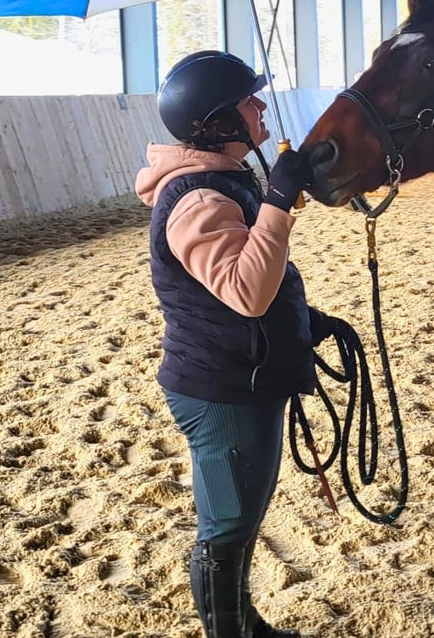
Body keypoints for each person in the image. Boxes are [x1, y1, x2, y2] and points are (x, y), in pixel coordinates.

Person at [135, 50, 348, 638]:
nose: (259, 106)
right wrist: (277, 203)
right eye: (247, 101)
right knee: (226, 528)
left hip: (241, 373)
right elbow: (246, 292)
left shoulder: (222, 181)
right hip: (223, 387)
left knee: (241, 518)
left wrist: (303, 322)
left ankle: (243, 623)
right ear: (217, 123)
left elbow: (254, 281)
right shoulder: (197, 200)